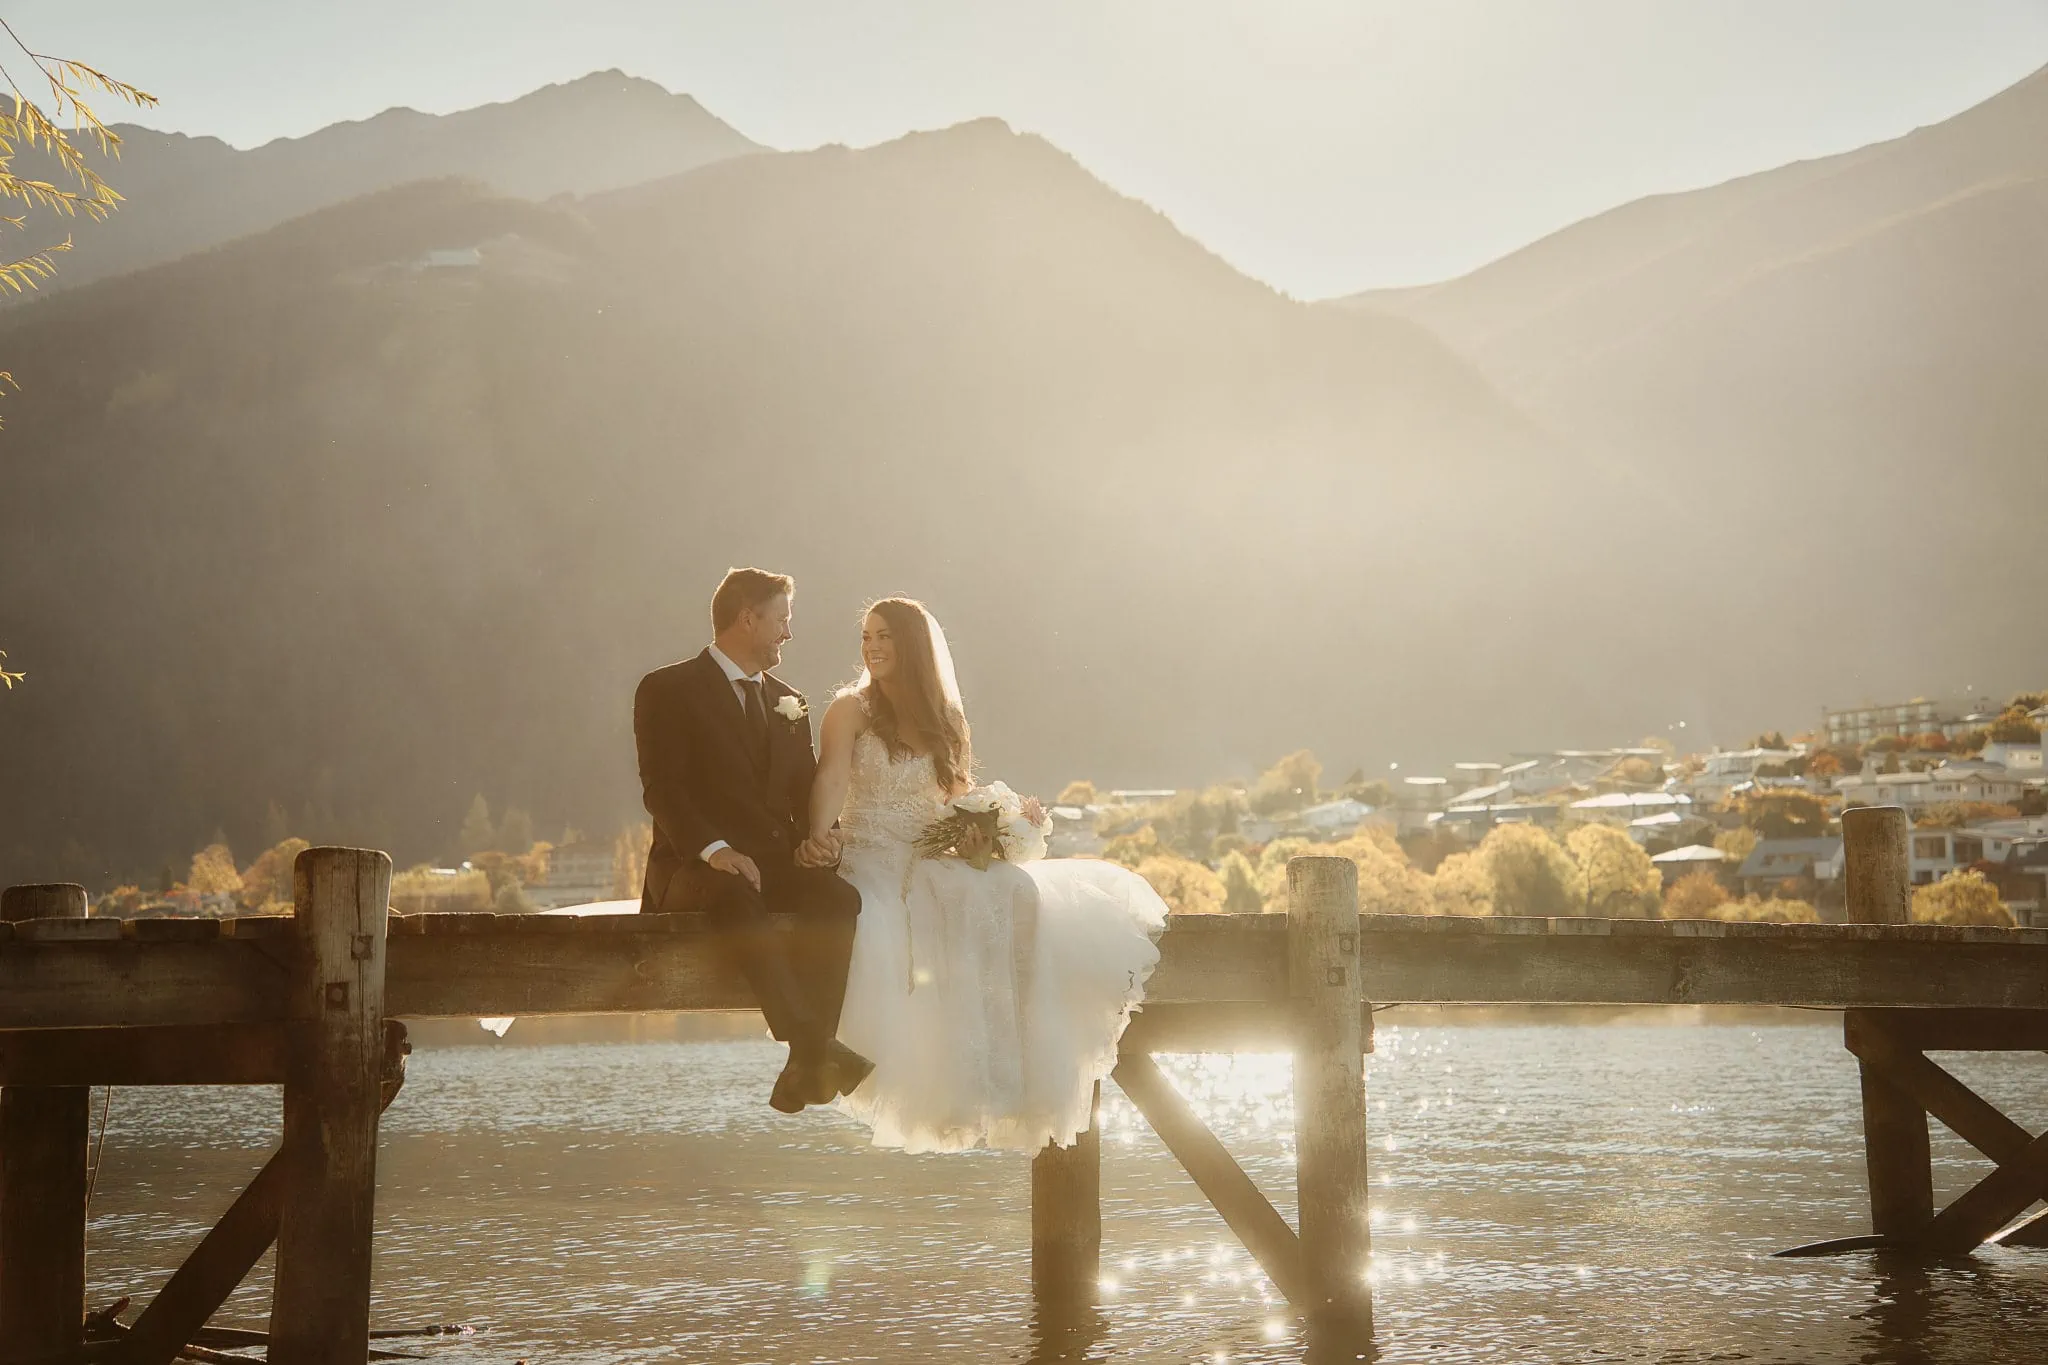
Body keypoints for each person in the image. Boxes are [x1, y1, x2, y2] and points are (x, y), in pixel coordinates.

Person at [806, 597, 1168, 1153]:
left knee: (1014, 889)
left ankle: (1002, 1075)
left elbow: (954, 799)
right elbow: (831, 776)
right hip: (870, 853)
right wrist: (819, 833)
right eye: (866, 637)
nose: (872, 647)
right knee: (885, 920)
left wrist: (983, 834)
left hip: (930, 855)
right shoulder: (850, 710)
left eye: (885, 636)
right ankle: (885, 1063)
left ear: (913, 646)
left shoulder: (946, 721)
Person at [633, 567, 871, 1114]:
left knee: (839, 899)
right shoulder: (667, 689)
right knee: (734, 892)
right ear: (748, 618)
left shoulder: (792, 702)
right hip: (694, 870)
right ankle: (811, 1044)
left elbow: (808, 789)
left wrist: (820, 839)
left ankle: (808, 1057)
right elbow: (662, 790)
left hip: (775, 864)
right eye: (782, 619)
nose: (789, 632)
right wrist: (716, 852)